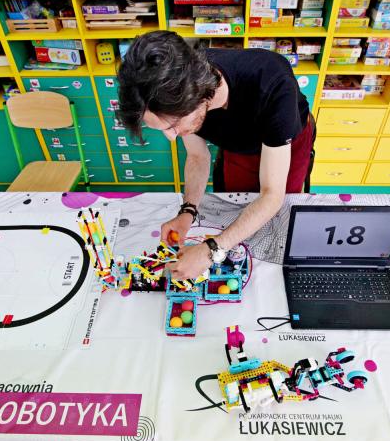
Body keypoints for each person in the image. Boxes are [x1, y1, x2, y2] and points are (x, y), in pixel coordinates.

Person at [116, 31, 314, 280]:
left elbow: (272, 195)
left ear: (197, 97)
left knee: (278, 219)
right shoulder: (176, 87)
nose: (171, 137)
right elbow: (197, 157)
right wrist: (187, 211)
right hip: (238, 144)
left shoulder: (272, 84)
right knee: (234, 208)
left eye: (173, 126)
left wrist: (211, 251)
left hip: (286, 144)